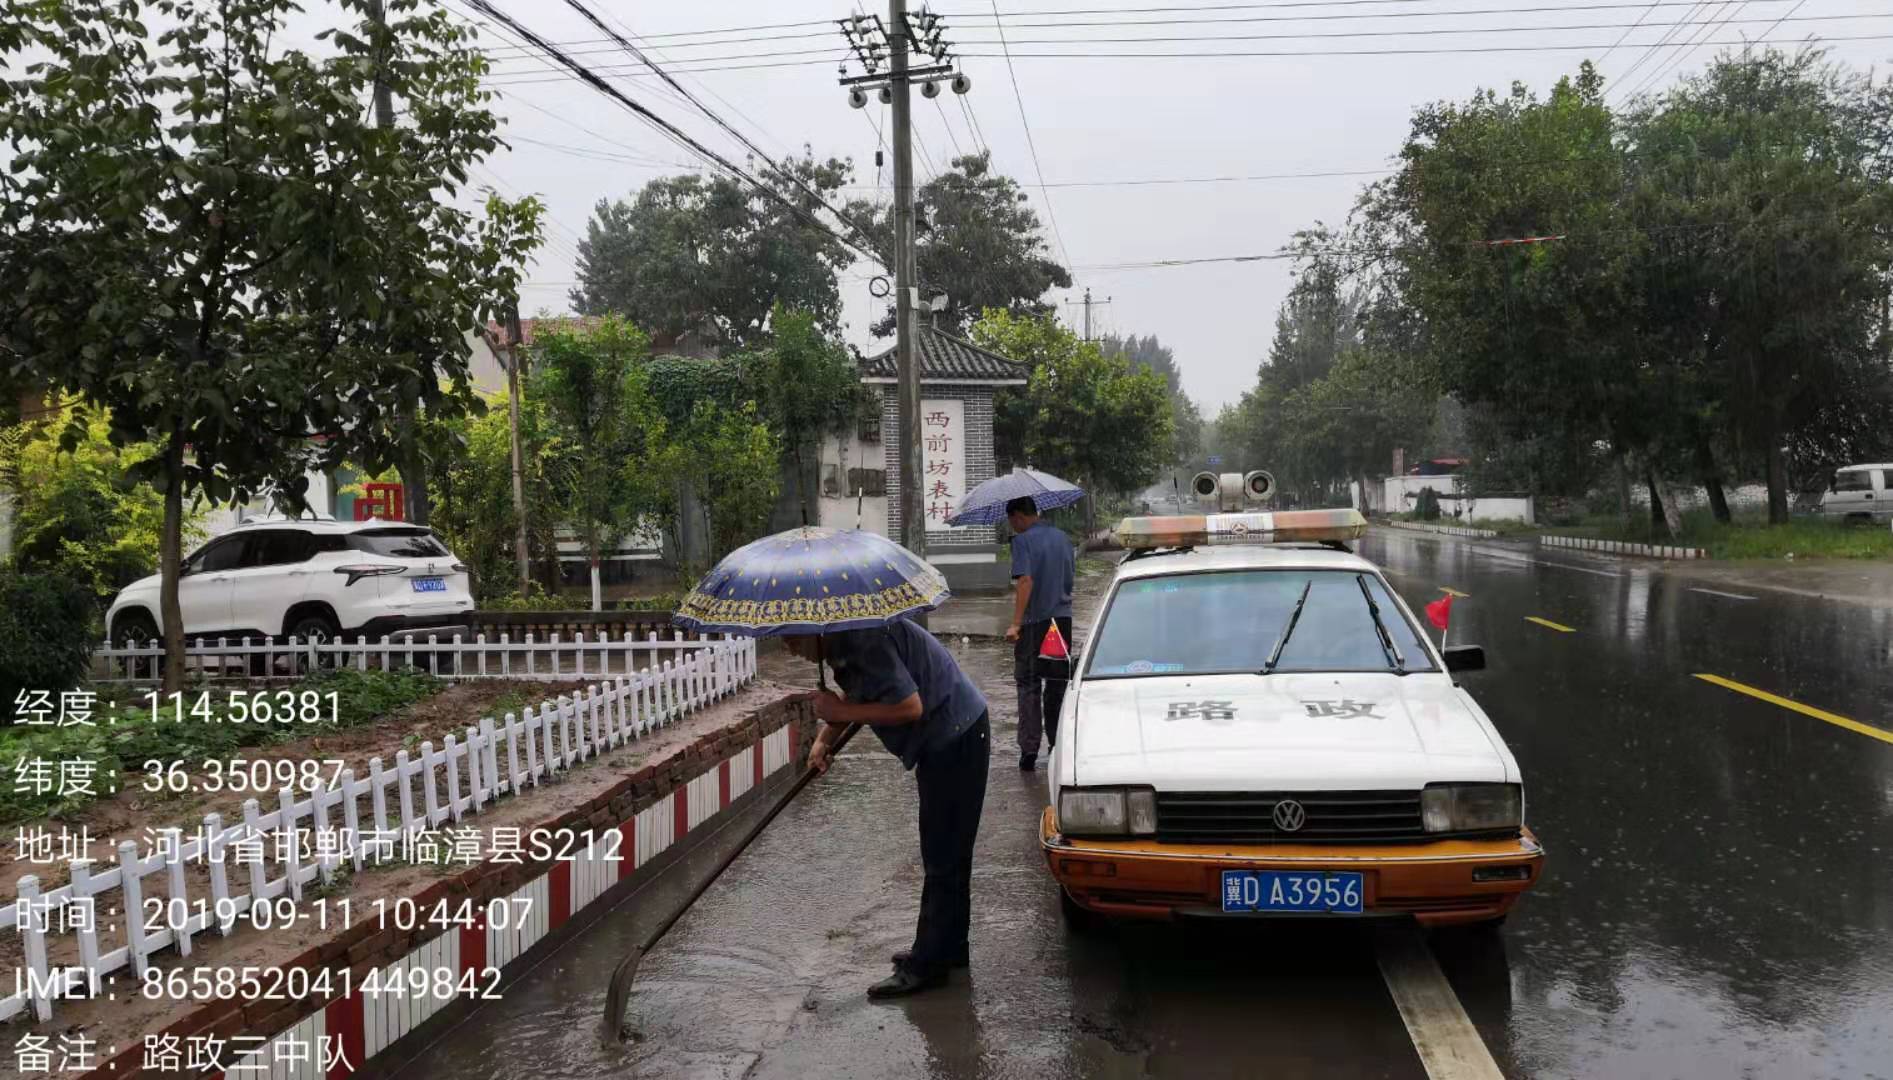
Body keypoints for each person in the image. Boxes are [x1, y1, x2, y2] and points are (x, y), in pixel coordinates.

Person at [790, 617, 990, 998]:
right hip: (954, 733)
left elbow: (909, 707)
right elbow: (863, 696)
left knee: (943, 854)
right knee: (949, 851)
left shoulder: (865, 639)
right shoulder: (844, 641)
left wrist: (841, 714)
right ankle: (948, 948)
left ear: (814, 627)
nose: (787, 647)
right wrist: (824, 739)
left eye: (790, 636)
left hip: (956, 735)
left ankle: (926, 965)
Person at [1004, 495, 1075, 770]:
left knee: (1029, 683)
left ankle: (1029, 751)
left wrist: (1016, 623)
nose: (1013, 527)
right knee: (1056, 685)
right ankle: (1057, 745)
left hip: (1035, 624)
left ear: (1018, 516)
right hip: (1062, 621)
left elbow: (1025, 581)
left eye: (1012, 522)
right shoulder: (1062, 538)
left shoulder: (1022, 542)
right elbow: (1069, 579)